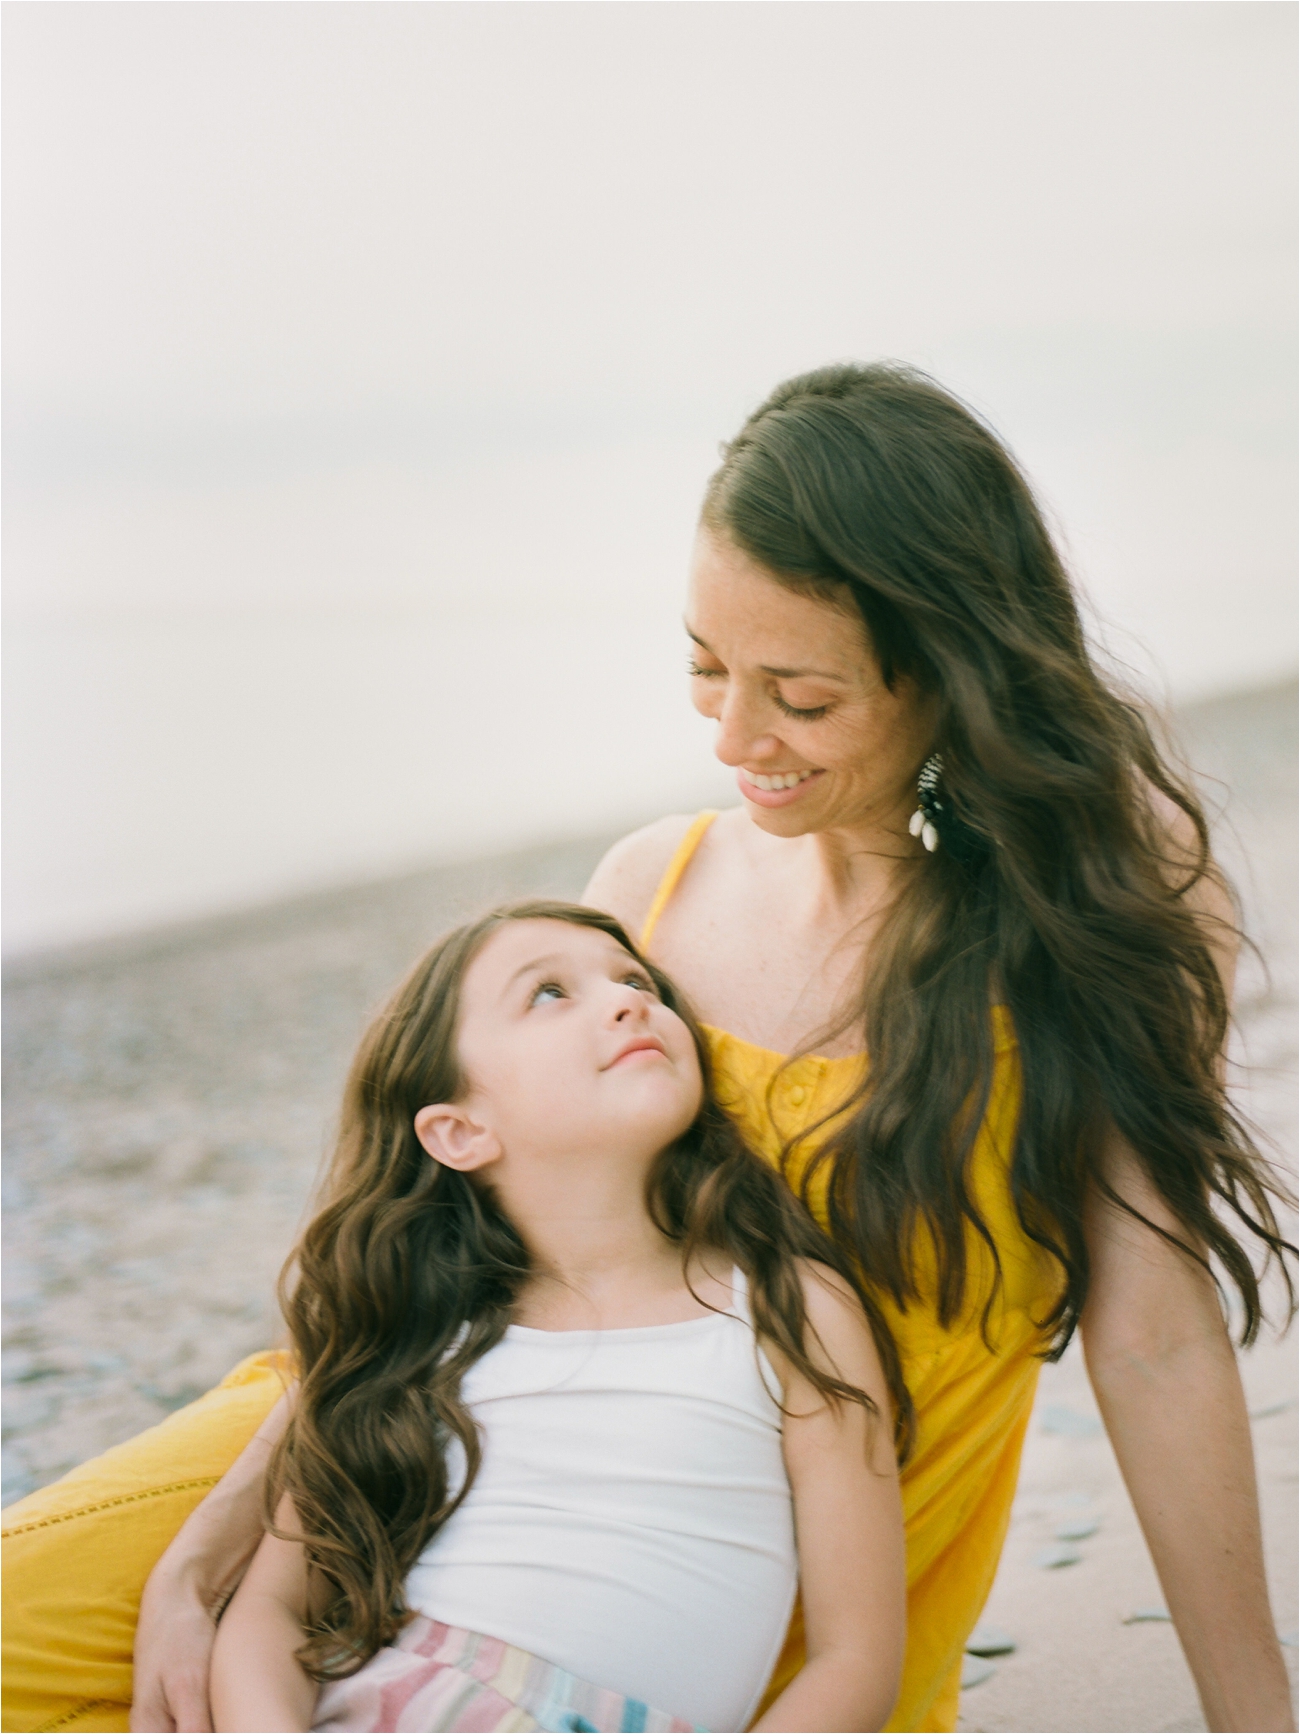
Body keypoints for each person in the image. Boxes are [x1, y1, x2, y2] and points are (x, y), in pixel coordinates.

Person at [2, 361, 1294, 1734]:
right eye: (703, 666)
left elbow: (1152, 1334)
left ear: (954, 672)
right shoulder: (650, 893)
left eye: (797, 693)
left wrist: (1254, 1714)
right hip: (415, 1465)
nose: (735, 735)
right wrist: (212, 1547)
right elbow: (438, 1256)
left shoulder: (1100, 917)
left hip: (740, 1583)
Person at [205, 900, 906, 1733]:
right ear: (459, 1131)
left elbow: (856, 1658)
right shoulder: (427, 1336)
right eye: (547, 994)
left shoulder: (790, 1308)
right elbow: (272, 1614)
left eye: (635, 981)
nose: (628, 1001)